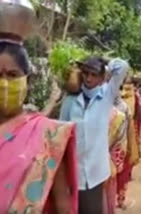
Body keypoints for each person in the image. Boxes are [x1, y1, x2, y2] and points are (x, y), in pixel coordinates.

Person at [0, 40, 77, 213]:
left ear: (26, 79)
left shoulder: (48, 135)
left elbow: (62, 206)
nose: (4, 83)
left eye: (12, 75)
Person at [60, 56, 128, 214]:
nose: (88, 78)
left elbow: (122, 67)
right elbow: (60, 134)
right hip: (72, 172)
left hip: (95, 173)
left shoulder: (106, 95)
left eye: (94, 74)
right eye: (85, 73)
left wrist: (103, 60)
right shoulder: (70, 100)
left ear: (101, 77)